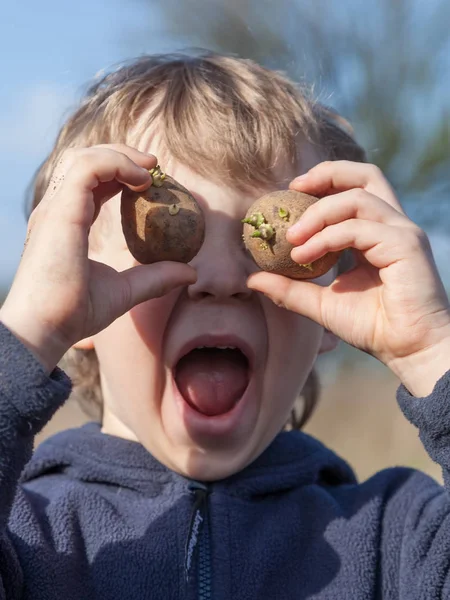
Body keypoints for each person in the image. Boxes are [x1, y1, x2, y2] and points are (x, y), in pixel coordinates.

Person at [0, 52, 449, 600]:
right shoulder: (26, 533)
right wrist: (26, 336)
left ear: (331, 301)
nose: (217, 277)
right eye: (169, 229)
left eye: (270, 241)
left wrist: (432, 351)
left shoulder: (399, 539)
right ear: (72, 293)